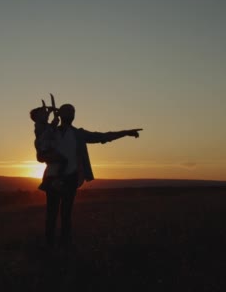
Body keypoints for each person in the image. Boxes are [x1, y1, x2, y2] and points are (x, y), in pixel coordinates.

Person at [44, 103, 142, 248]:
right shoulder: (52, 132)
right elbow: (40, 139)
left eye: (73, 112)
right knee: (51, 213)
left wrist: (125, 132)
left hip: (70, 178)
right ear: (61, 114)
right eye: (68, 112)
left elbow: (102, 137)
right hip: (52, 178)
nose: (71, 114)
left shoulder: (79, 134)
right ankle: (49, 245)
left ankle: (65, 244)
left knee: (66, 214)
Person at [29, 104, 67, 191]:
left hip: (46, 152)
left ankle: (45, 183)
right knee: (64, 160)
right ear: (37, 118)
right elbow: (51, 128)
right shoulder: (39, 126)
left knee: (50, 166)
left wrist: (52, 114)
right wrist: (52, 115)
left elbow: (52, 125)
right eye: (43, 114)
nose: (46, 115)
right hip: (45, 152)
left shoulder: (45, 125)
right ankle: (58, 179)